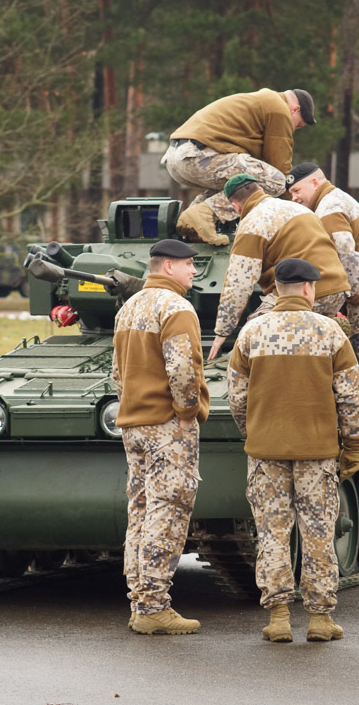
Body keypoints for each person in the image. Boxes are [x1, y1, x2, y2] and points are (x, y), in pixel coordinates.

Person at [227, 258, 359, 643]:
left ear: (275, 288)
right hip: (317, 452)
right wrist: (353, 444)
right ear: (309, 288)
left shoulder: (251, 334)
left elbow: (237, 399)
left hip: (266, 452)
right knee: (319, 532)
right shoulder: (331, 333)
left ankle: (278, 616)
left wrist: (254, 432)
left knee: (272, 533)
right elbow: (350, 398)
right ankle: (321, 619)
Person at [110, 238, 210, 635]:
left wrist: (132, 408)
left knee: (141, 511)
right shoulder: (177, 308)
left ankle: (140, 600)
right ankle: (154, 606)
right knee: (167, 512)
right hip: (168, 425)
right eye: (188, 265)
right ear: (168, 267)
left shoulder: (128, 308)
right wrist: (187, 412)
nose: (193, 272)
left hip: (133, 422)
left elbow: (117, 374)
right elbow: (184, 369)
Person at [286, 162, 359, 469]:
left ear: (315, 182)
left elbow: (346, 254)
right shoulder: (333, 200)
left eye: (297, 190)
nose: (294, 198)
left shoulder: (328, 206)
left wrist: (353, 297)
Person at [207, 173, 349, 360]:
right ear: (261, 190)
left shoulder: (252, 222)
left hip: (302, 292)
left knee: (256, 333)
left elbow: (238, 284)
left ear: (236, 206)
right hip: (335, 291)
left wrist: (222, 332)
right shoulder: (300, 209)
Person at [162, 88, 316, 246]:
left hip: (177, 157)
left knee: (239, 182)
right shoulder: (280, 110)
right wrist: (299, 209)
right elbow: (279, 166)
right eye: (298, 125)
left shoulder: (264, 101)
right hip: (198, 156)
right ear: (295, 109)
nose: (294, 130)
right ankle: (205, 212)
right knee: (276, 182)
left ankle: (191, 225)